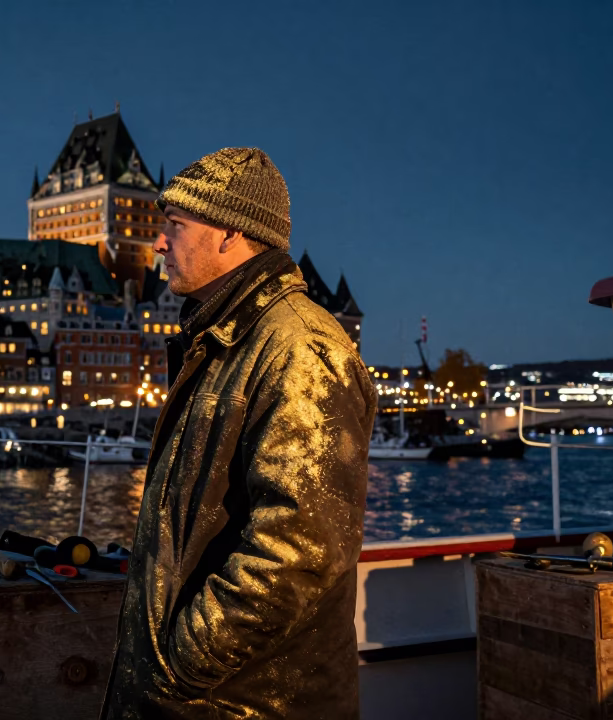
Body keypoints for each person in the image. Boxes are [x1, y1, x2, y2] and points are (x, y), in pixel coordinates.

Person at [101, 148, 376, 719]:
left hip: (240, 702)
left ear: (230, 232)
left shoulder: (301, 347)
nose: (157, 243)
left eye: (175, 226)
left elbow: (300, 547)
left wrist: (182, 663)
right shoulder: (227, 339)